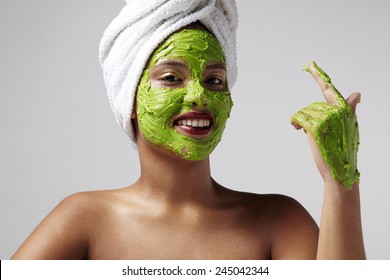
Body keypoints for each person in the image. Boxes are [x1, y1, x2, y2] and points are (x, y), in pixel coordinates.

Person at [11, 0, 365, 260]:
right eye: (170, 78)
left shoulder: (280, 221)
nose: (199, 96)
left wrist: (341, 183)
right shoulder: (84, 219)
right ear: (130, 102)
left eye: (214, 80)